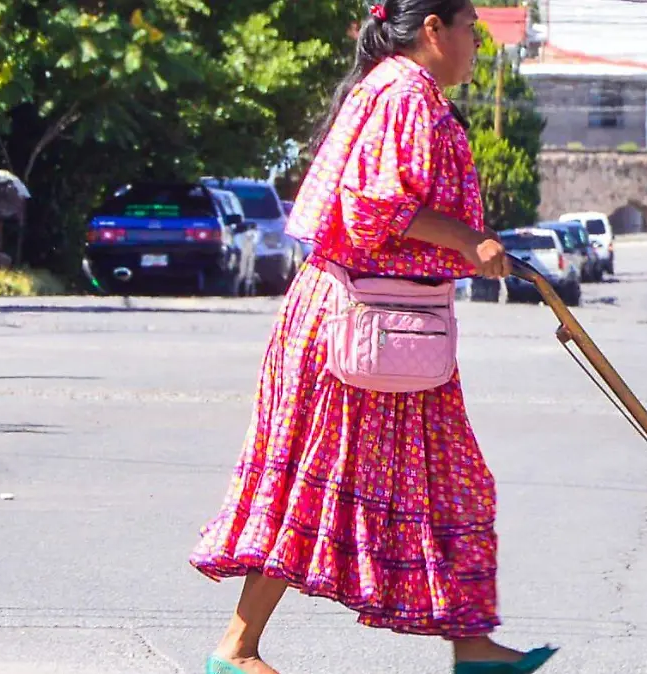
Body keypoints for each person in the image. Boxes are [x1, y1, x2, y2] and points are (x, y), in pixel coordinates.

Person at [187, 2, 557, 673]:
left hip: (397, 325)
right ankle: (236, 651)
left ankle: (474, 647)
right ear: (433, 29)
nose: (477, 43)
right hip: (356, 327)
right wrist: (469, 240)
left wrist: (471, 245)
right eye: (469, 28)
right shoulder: (403, 94)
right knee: (314, 479)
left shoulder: (404, 90)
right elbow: (372, 206)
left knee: (453, 481)